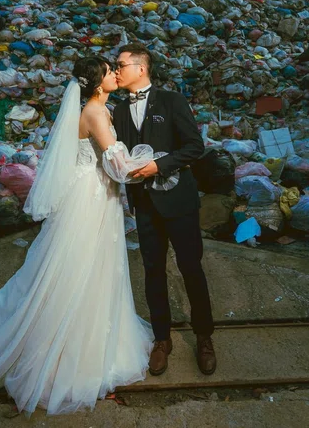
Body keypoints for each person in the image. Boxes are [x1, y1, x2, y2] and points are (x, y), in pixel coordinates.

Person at [0, 56, 153, 416]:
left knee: (83, 266)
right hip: (92, 197)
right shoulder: (97, 113)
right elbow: (117, 165)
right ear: (98, 83)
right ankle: (65, 348)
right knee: (81, 267)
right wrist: (151, 163)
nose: (116, 73)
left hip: (92, 193)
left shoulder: (96, 108)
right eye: (111, 71)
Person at [112, 43, 217, 377]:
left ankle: (204, 337)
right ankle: (161, 339)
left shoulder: (172, 101)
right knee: (152, 270)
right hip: (144, 204)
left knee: (191, 268)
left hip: (179, 202)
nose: (116, 71)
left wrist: (159, 166)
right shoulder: (117, 110)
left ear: (141, 68)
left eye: (121, 65)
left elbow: (194, 147)